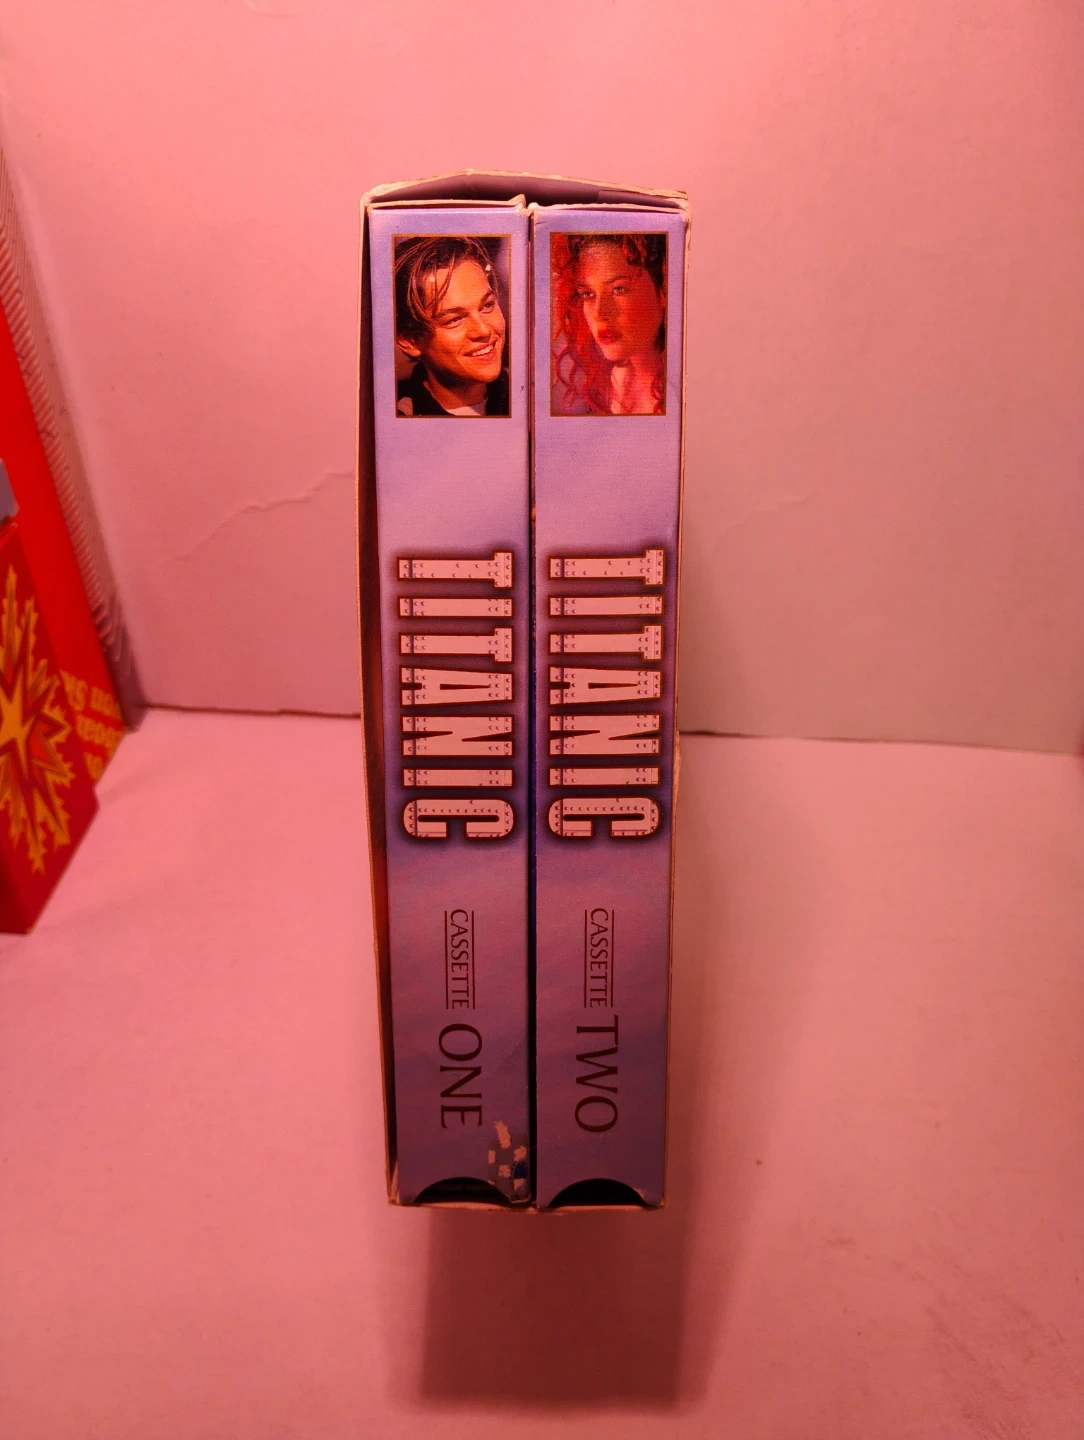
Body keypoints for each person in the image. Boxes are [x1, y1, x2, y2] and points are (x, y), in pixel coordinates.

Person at [551, 233, 667, 416]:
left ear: (663, 289)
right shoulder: (612, 385)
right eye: (588, 294)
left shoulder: (685, 387)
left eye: (619, 289)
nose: (599, 313)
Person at [393, 235, 509, 417]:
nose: (483, 330)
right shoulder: (398, 422)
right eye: (454, 320)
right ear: (410, 341)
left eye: (487, 306)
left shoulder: (534, 399)